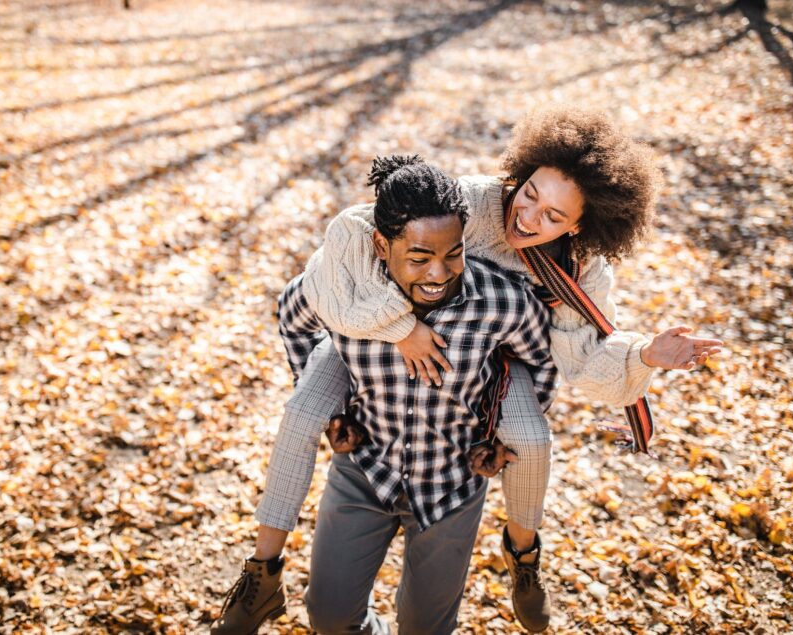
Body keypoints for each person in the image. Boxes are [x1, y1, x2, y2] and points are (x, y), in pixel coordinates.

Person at [212, 107, 723, 633]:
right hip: (372, 334)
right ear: (519, 174)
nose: (528, 218)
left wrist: (645, 354)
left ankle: (523, 557)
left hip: (501, 358)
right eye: (530, 195)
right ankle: (262, 574)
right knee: (300, 414)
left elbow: (577, 358)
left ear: (580, 227)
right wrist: (397, 331)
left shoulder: (579, 271)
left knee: (531, 438)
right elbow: (351, 246)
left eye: (553, 217)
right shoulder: (468, 202)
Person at [216, 157, 558, 634]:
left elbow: (540, 358)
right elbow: (292, 318)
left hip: (451, 486)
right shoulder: (343, 293)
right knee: (330, 618)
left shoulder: (500, 302)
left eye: (453, 253)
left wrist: (498, 435)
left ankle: (523, 557)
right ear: (381, 244)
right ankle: (263, 578)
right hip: (364, 473)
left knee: (424, 628)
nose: (439, 272)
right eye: (418, 257)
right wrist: (333, 409)